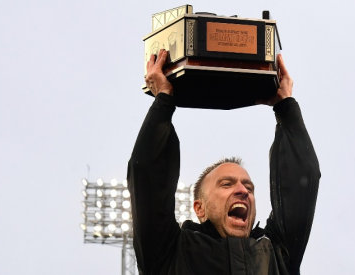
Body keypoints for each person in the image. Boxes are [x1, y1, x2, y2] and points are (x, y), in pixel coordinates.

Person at [127, 49, 321, 274]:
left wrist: (285, 106)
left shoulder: (277, 253)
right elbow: (147, 174)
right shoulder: (169, 252)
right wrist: (163, 100)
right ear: (199, 208)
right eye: (226, 184)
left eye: (248, 187)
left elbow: (302, 177)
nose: (243, 191)